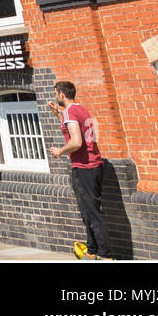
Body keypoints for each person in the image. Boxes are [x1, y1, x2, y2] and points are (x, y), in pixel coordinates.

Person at [50, 80, 112, 261]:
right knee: (88, 213)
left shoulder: (70, 111)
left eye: (56, 94)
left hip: (84, 168)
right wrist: (57, 114)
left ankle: (106, 256)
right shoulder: (80, 109)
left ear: (61, 94)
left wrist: (60, 151)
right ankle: (92, 252)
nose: (56, 97)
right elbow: (72, 129)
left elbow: (76, 141)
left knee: (92, 214)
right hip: (95, 165)